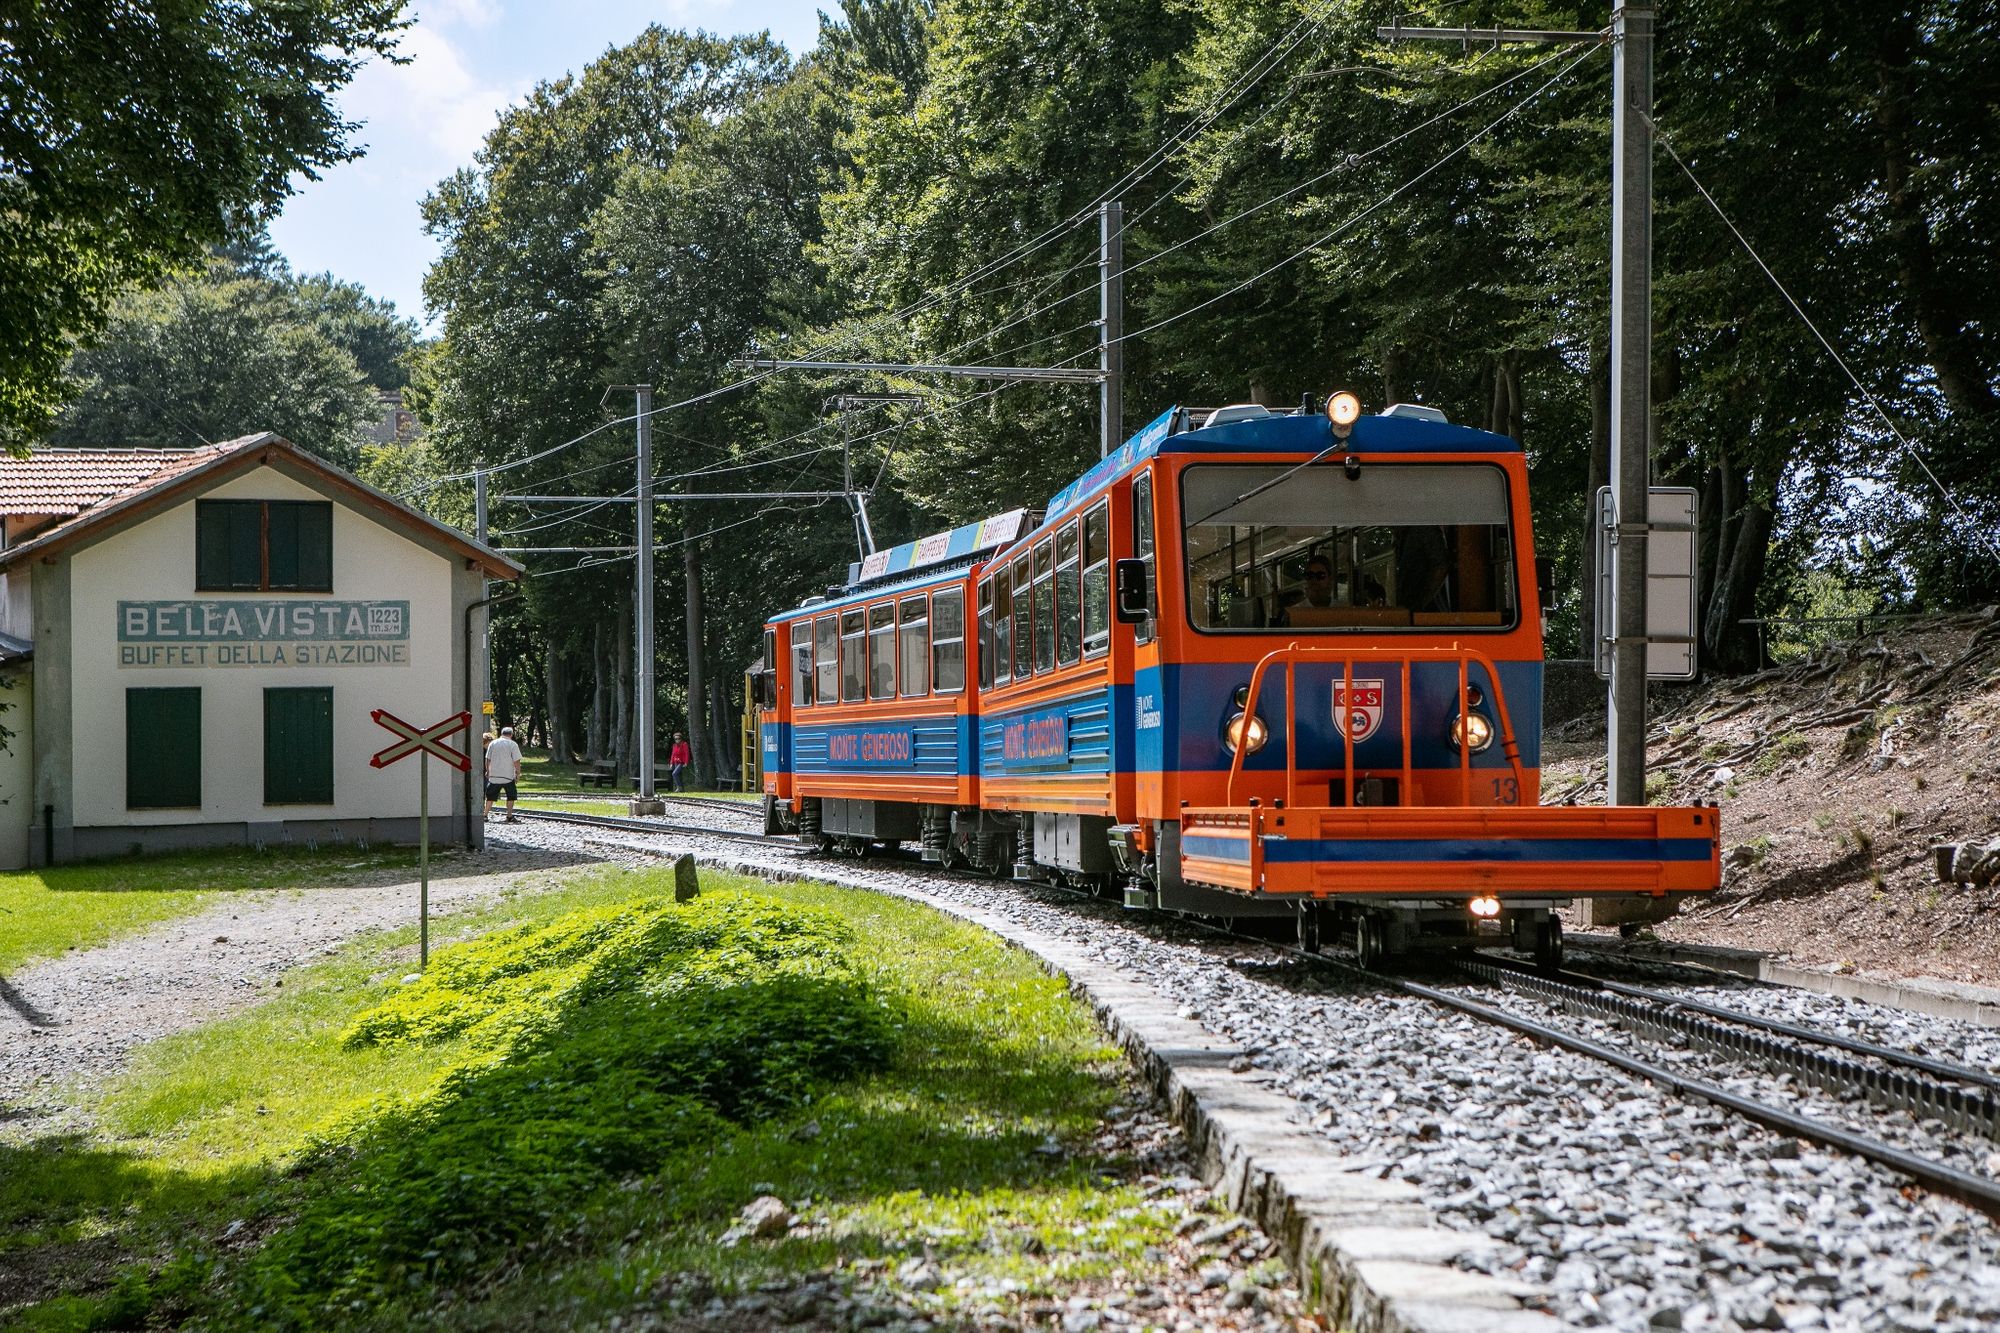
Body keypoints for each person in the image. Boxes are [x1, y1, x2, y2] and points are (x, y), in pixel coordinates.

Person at [1274, 555, 1337, 626]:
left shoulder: (1343, 611)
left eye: (1320, 575)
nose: (1314, 580)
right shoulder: (1294, 614)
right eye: (1309, 575)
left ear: (1330, 579)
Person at [484, 726, 523, 822]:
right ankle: (509, 815)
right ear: (511, 734)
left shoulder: (493, 743)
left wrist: (488, 771)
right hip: (508, 776)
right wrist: (518, 773)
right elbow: (517, 761)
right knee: (511, 796)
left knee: (490, 797)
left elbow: (487, 759)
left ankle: (485, 815)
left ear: (501, 733)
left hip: (494, 776)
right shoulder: (513, 744)